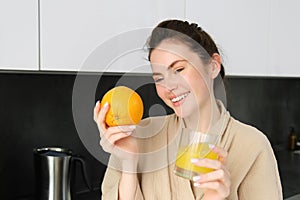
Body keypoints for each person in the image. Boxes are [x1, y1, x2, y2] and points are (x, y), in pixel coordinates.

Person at [94, 19, 282, 200]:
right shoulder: (141, 134)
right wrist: (128, 162)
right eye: (159, 78)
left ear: (213, 66)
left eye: (179, 69)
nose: (170, 86)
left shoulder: (252, 145)